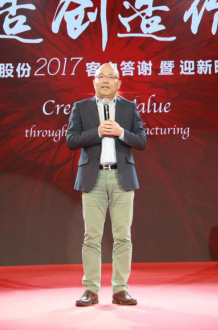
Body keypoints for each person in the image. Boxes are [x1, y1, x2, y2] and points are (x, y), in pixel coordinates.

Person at [66, 63, 147, 306]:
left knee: (123, 237)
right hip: (94, 178)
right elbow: (71, 140)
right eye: (100, 76)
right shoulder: (81, 107)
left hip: (122, 178)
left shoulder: (129, 107)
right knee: (91, 237)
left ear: (118, 83)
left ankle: (120, 289)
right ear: (93, 81)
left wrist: (121, 132)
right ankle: (90, 290)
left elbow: (142, 141)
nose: (105, 80)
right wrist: (97, 132)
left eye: (110, 76)